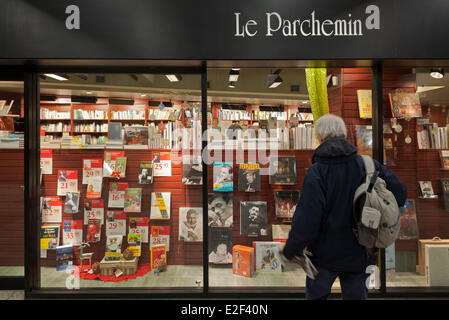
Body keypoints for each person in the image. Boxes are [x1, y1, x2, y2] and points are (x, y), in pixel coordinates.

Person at [281, 114, 407, 300]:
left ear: (320, 137)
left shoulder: (317, 172)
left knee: (317, 296)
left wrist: (291, 249)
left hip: (323, 254)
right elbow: (400, 193)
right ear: (343, 134)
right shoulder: (368, 164)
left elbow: (308, 218)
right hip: (362, 249)